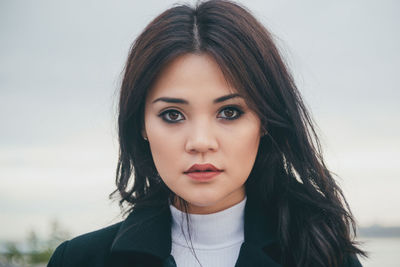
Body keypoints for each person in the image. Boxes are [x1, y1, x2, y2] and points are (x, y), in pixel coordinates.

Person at [47, 0, 367, 266]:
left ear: (266, 120)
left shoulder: (327, 258)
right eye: (173, 115)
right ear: (141, 125)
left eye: (229, 112)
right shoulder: (79, 260)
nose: (201, 142)